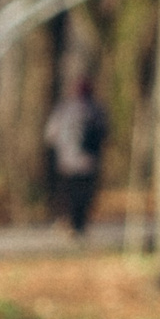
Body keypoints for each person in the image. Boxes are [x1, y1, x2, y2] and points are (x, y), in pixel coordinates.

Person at [42, 75, 110, 237]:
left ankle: (72, 224)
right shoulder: (96, 110)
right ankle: (80, 225)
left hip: (67, 162)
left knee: (69, 195)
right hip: (89, 161)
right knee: (85, 195)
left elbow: (50, 135)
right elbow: (105, 133)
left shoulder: (63, 109)